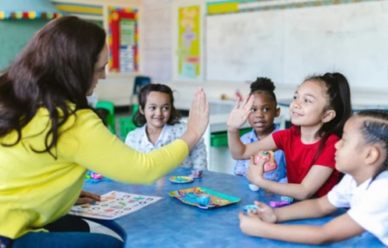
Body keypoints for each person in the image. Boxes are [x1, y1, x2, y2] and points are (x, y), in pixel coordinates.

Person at [0, 16, 209, 248]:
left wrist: (58, 195)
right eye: (99, 69)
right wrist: (193, 133)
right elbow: (144, 169)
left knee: (77, 226)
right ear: (75, 70)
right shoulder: (70, 120)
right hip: (6, 233)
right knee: (108, 244)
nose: (104, 76)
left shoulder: (16, 98)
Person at [238, 110, 388, 247]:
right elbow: (320, 206)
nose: (336, 145)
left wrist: (261, 229)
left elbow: (323, 235)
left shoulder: (385, 192)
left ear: (369, 156)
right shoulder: (355, 180)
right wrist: (276, 215)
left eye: (344, 140)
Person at [227, 72, 352, 199]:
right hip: (295, 207)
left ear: (327, 115)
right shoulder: (288, 136)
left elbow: (304, 191)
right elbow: (240, 153)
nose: (296, 104)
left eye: (307, 100)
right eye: (296, 97)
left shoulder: (332, 145)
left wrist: (260, 181)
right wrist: (232, 129)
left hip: (322, 215)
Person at [125, 83, 207, 170]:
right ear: (142, 109)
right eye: (152, 107)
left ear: (171, 109)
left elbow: (199, 155)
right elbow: (130, 169)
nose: (159, 113)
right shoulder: (133, 138)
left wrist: (198, 178)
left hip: (184, 183)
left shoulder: (185, 131)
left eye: (165, 108)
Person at [233, 77, 286, 190]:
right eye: (253, 110)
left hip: (276, 195)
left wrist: (274, 188)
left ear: (277, 112)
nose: (259, 115)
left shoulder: (285, 141)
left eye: (266, 109)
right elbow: (239, 172)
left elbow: (290, 176)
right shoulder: (244, 140)